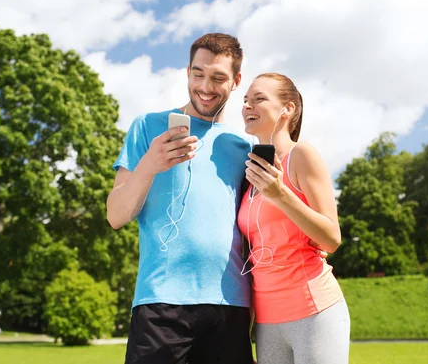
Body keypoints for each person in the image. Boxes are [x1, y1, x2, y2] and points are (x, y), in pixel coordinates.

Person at [106, 33, 255, 364]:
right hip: (160, 302)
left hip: (229, 307)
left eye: (218, 78)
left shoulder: (242, 147)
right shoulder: (148, 127)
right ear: (188, 71)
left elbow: (250, 234)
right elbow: (116, 215)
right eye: (198, 73)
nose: (205, 86)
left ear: (236, 81)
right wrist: (151, 163)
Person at [239, 73, 350, 364]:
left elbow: (331, 238)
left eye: (259, 98)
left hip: (313, 311)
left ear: (287, 108)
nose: (248, 105)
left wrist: (280, 194)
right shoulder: (250, 172)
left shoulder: (302, 155)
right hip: (266, 321)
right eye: (246, 100)